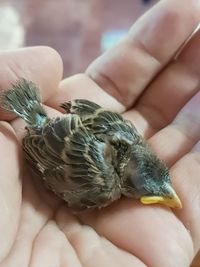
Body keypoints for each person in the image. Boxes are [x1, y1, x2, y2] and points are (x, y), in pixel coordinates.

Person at [0, 0, 200, 266]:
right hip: (43, 135)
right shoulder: (105, 188)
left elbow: (81, 113)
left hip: (48, 129)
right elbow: (52, 166)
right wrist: (35, 140)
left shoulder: (127, 134)